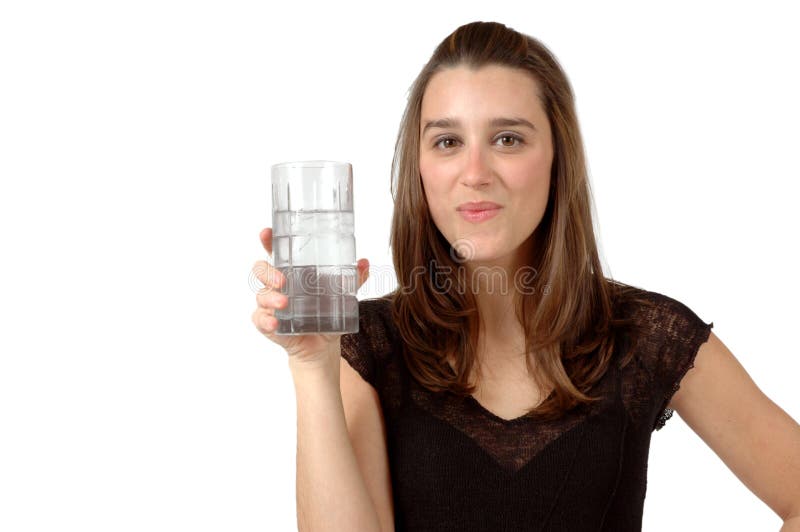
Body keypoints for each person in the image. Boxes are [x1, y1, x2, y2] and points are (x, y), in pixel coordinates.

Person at [251, 21, 800, 532]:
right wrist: (312, 366)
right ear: (419, 168)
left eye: (507, 139)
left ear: (558, 157)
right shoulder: (366, 345)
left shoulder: (645, 334)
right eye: (448, 141)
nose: (475, 173)